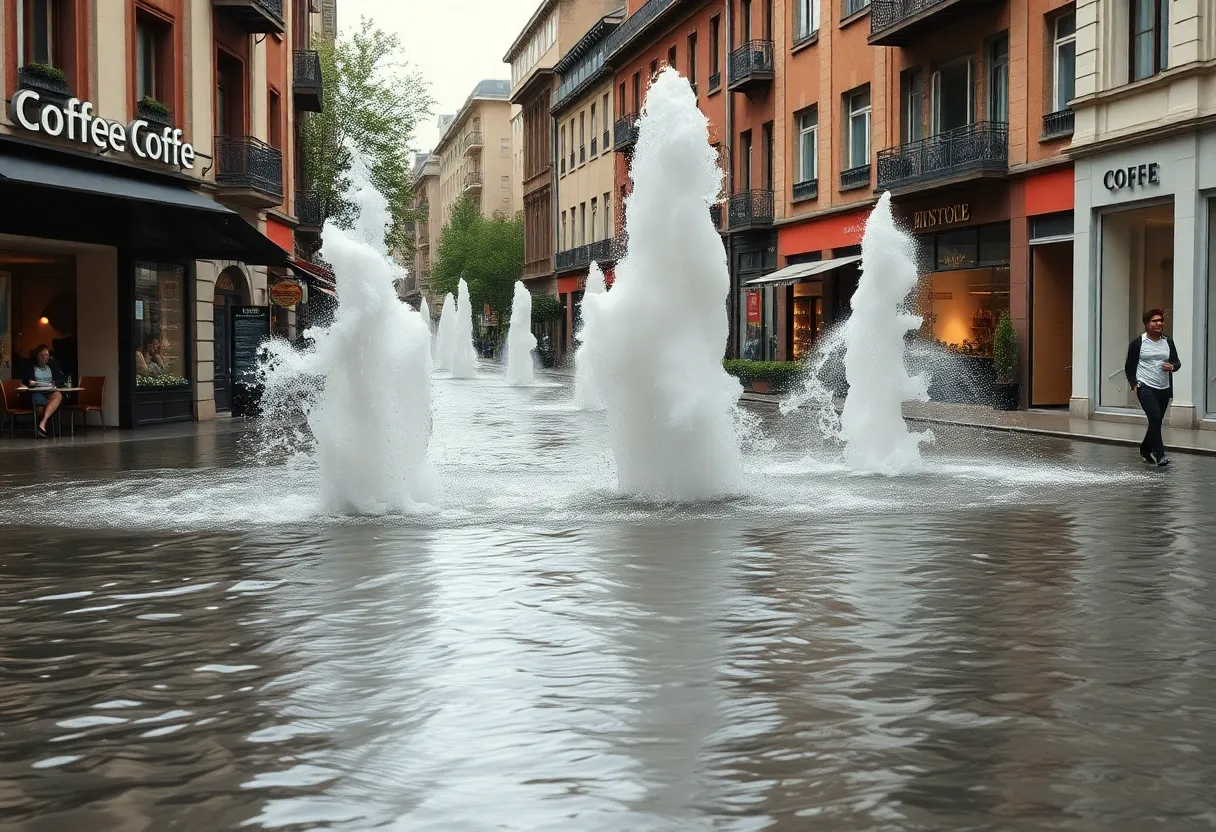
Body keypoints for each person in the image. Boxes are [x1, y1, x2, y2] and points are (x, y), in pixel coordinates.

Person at [1124, 308, 1181, 466]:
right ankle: (1160, 454)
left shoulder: (1167, 341)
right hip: (1145, 385)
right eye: (1155, 321)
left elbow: (1177, 362)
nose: (1159, 323)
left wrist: (1172, 367)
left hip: (1163, 387)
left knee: (1156, 421)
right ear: (1146, 324)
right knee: (1155, 418)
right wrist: (1134, 384)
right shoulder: (1138, 343)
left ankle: (1145, 448)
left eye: (1161, 320)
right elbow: (1129, 366)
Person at [24, 344, 66, 438]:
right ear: (37, 356)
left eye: (47, 354)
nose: (45, 357)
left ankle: (42, 423)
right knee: (44, 407)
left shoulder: (51, 366)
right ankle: (44, 425)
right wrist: (40, 383)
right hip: (37, 392)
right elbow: (29, 382)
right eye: (42, 354)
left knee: (58, 395)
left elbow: (59, 378)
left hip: (50, 391)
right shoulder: (31, 367)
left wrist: (55, 382)